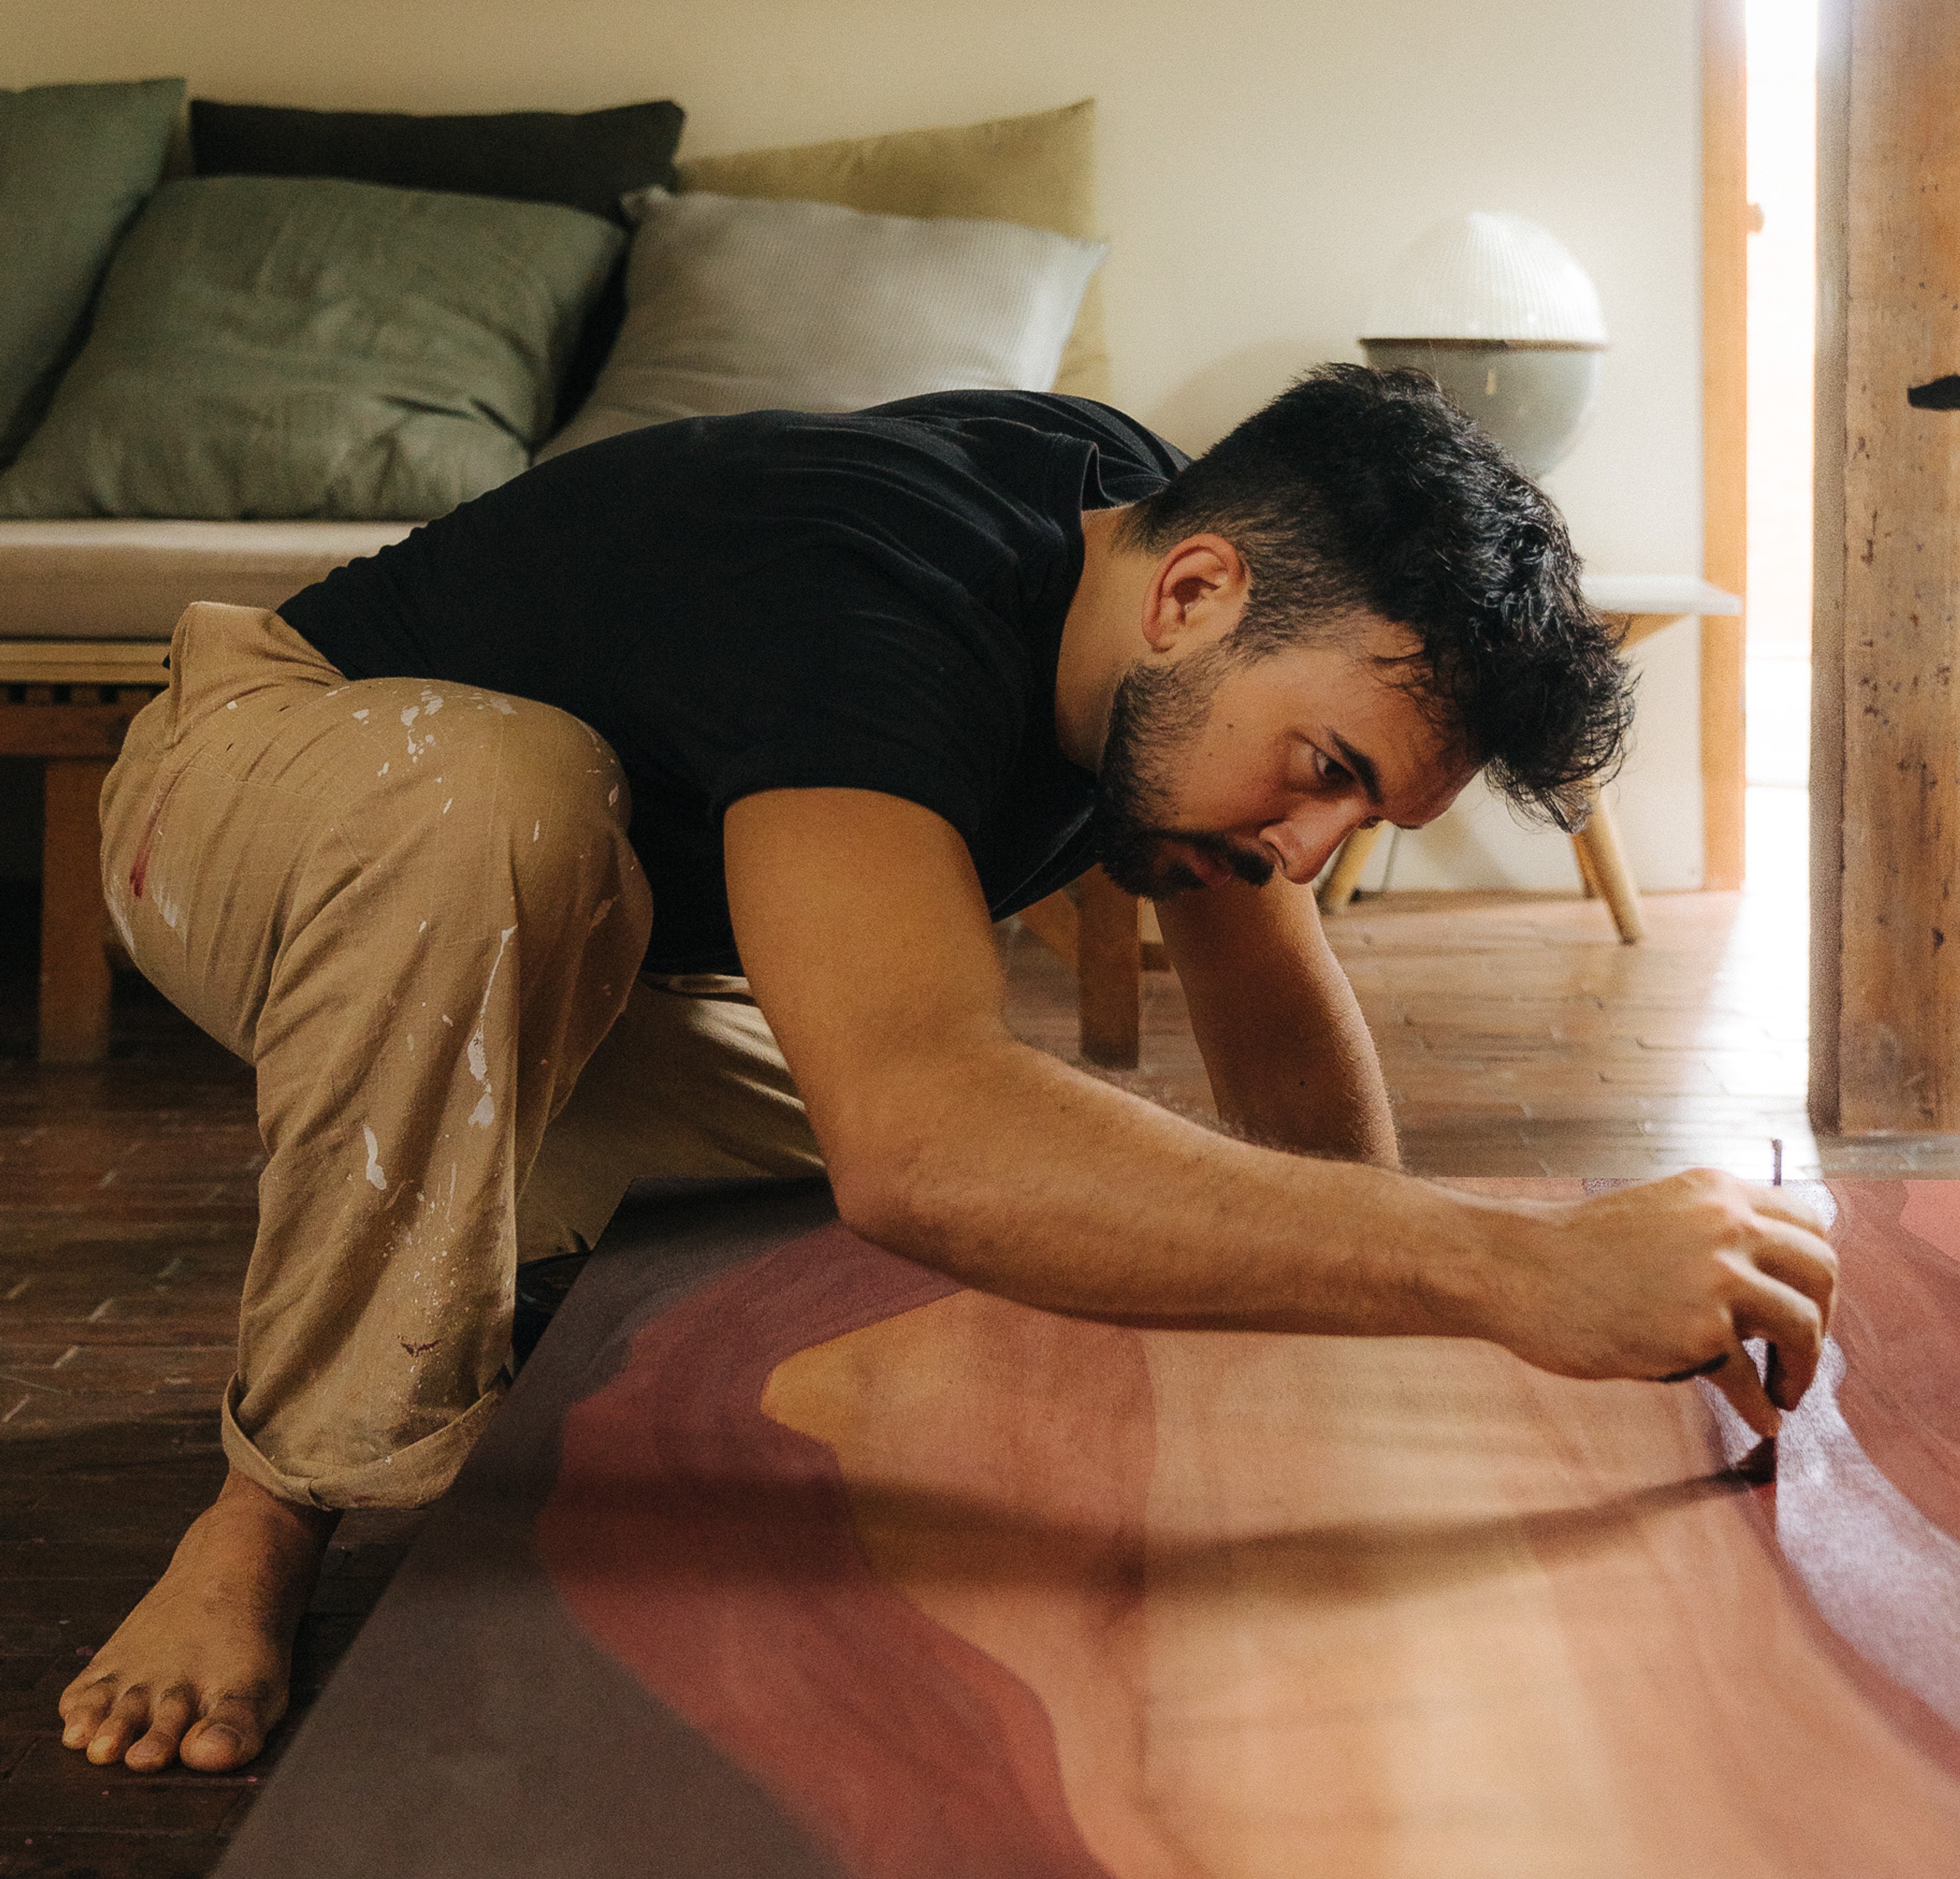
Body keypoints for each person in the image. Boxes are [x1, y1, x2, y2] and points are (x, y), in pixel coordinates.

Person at [59, 367, 1837, 1776]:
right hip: (266, 785)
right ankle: (268, 1505)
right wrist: (1522, 1262)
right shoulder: (865, 586)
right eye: (1323, 766)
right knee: (537, 830)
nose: (1312, 846)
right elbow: (922, 1145)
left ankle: (500, 1256)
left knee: (1049, 1171)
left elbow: (1292, 1129)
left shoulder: (1158, 578)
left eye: (1365, 813)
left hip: (590, 954)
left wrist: (1415, 1339)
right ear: (1196, 594)